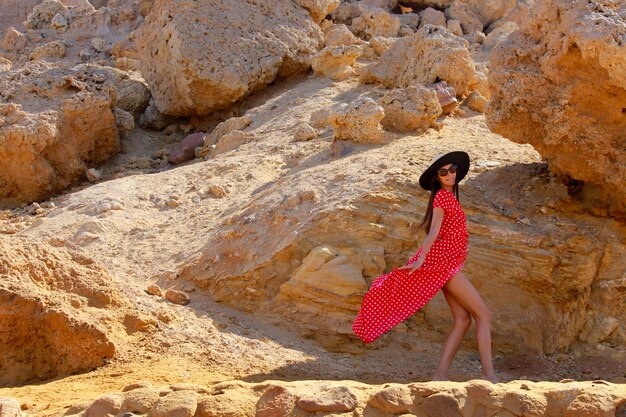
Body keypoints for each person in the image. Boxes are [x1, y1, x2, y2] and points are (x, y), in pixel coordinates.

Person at [352, 151, 498, 383]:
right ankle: (489, 377)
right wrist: (421, 259)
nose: (450, 174)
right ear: (437, 178)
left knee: (463, 319)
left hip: (448, 264)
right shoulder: (441, 197)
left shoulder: (450, 197)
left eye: (452, 170)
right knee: (484, 315)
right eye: (443, 172)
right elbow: (434, 231)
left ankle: (440, 376)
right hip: (443, 265)